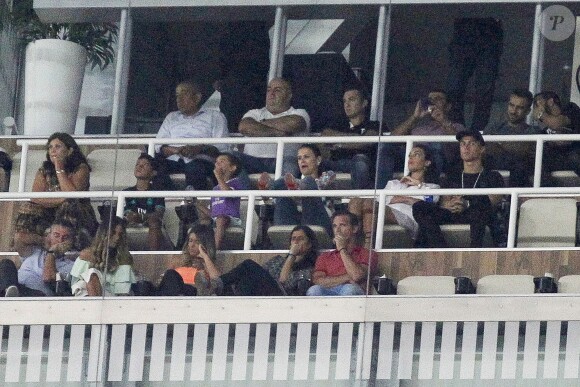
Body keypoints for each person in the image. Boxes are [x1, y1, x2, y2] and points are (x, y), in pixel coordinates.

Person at [412, 130, 504, 248]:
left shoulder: (492, 176)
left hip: (477, 214)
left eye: (471, 143)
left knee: (481, 206)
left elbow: (493, 201)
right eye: (462, 144)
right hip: (453, 213)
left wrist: (467, 203)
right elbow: (444, 199)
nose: (466, 147)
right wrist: (449, 205)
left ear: (481, 149)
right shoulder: (452, 176)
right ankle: (441, 249)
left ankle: (474, 252)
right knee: (419, 207)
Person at [16, 133, 98, 249]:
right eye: (50, 147)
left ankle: (65, 243)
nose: (53, 150)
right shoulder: (44, 170)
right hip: (50, 210)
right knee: (28, 206)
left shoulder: (81, 168)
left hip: (78, 213)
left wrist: (59, 169)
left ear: (69, 150)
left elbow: (71, 196)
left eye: (58, 146)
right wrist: (60, 199)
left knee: (68, 204)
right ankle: (26, 244)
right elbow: (35, 198)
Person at [349, 144, 440, 245]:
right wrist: (408, 200)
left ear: (427, 162)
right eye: (410, 155)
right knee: (355, 201)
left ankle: (368, 246)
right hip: (384, 211)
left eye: (416, 155)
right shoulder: (394, 183)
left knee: (370, 204)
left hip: (408, 218)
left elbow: (428, 204)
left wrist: (417, 186)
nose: (411, 158)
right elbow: (380, 200)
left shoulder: (432, 187)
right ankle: (351, 242)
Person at [376, 90, 466, 189]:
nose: (433, 102)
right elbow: (392, 139)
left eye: (438, 99)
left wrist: (443, 120)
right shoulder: (419, 126)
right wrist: (415, 117)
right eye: (430, 99)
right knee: (386, 147)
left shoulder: (456, 126)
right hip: (413, 157)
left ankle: (430, 191)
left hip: (439, 160)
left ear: (448, 106)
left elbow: (461, 145)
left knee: (435, 147)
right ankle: (381, 192)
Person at [197, 225, 318, 296]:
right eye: (293, 239)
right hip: (259, 294)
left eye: (300, 239)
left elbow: (284, 281)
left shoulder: (310, 269)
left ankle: (215, 285)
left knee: (249, 264)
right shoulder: (278, 260)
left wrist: (292, 255)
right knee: (245, 279)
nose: (296, 242)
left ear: (309, 244)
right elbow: (259, 275)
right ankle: (217, 288)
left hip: (280, 300)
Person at [155, 81, 229, 190]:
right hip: (174, 159)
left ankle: (194, 204)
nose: (178, 99)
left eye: (184, 94)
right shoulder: (171, 117)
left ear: (197, 97)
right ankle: (166, 199)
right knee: (153, 166)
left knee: (195, 168)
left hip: (201, 160)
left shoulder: (215, 116)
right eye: (177, 95)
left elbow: (222, 146)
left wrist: (198, 149)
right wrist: (175, 150)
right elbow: (158, 145)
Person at [237, 77, 310, 178]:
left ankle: (282, 192)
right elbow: (244, 127)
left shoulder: (299, 112)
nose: (271, 93)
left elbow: (295, 123)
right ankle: (240, 192)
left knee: (291, 163)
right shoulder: (254, 113)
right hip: (253, 161)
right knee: (231, 156)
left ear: (289, 96)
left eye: (277, 90)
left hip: (284, 160)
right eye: (269, 90)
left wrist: (260, 123)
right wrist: (277, 133)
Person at [261, 144, 333, 235]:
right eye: (299, 158)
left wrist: (299, 188)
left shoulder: (327, 175)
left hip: (319, 222)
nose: (302, 161)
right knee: (283, 181)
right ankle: (267, 188)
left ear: (318, 160)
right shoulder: (289, 182)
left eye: (306, 157)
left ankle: (271, 188)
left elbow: (321, 183)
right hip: (294, 223)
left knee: (309, 180)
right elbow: (279, 206)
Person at [320, 88, 381, 189]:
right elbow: (325, 135)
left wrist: (338, 143)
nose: (347, 105)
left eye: (351, 99)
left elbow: (365, 141)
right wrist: (354, 140)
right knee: (313, 160)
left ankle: (358, 200)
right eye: (344, 101)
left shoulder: (373, 125)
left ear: (364, 103)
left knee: (360, 160)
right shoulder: (337, 124)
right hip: (336, 163)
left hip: (360, 163)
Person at [306, 210, 377, 296]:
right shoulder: (324, 257)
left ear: (355, 228)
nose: (337, 230)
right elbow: (317, 281)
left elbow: (357, 276)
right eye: (335, 226)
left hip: (356, 295)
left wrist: (342, 249)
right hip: (329, 292)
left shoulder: (367, 253)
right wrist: (347, 277)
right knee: (314, 290)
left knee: (349, 289)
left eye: (342, 225)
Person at [0, 220, 77, 297]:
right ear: (49, 236)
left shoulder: (70, 265)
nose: (60, 241)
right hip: (16, 287)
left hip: (37, 296)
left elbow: (48, 277)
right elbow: (19, 237)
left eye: (65, 238)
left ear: (70, 242)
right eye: (56, 235)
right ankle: (8, 291)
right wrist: (43, 240)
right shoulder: (34, 251)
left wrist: (51, 253)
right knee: (6, 263)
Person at [483, 89, 538, 187]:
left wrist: (498, 143)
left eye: (519, 108)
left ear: (528, 111)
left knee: (520, 163)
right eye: (511, 105)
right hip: (494, 164)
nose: (513, 111)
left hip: (519, 170)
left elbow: (522, 150)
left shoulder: (532, 131)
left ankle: (511, 201)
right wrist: (510, 146)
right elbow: (485, 148)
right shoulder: (494, 127)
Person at [70, 217, 136, 296]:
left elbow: (123, 291)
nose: (117, 238)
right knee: (91, 274)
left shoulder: (124, 257)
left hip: (114, 300)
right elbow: (75, 285)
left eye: (120, 234)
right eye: (113, 233)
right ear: (103, 234)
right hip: (85, 299)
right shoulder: (86, 255)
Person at [532, 91, 580, 186]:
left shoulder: (570, 108)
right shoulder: (543, 127)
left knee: (574, 158)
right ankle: (546, 194)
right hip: (557, 157)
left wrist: (540, 115)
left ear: (550, 101)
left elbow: (557, 123)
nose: (536, 108)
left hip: (575, 152)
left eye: (539, 103)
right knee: (537, 159)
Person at [158, 224, 221, 296]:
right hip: (170, 295)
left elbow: (218, 282)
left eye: (197, 242)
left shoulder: (207, 265)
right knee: (145, 285)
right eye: (190, 241)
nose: (192, 245)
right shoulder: (177, 260)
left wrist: (205, 257)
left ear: (205, 244)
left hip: (191, 296)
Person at [123, 154, 166, 251]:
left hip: (151, 226)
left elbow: (159, 214)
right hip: (130, 224)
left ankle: (153, 259)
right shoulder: (126, 192)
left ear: (153, 172)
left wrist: (142, 217)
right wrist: (132, 217)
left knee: (154, 222)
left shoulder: (157, 192)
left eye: (145, 164)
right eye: (137, 164)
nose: (139, 166)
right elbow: (125, 214)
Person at [211, 152, 246, 249]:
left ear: (232, 168)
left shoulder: (236, 183)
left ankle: (213, 251)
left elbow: (227, 193)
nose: (217, 164)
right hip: (215, 219)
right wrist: (196, 203)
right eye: (216, 162)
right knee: (201, 222)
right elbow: (212, 212)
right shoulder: (215, 189)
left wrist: (218, 176)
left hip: (231, 219)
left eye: (222, 161)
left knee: (221, 219)